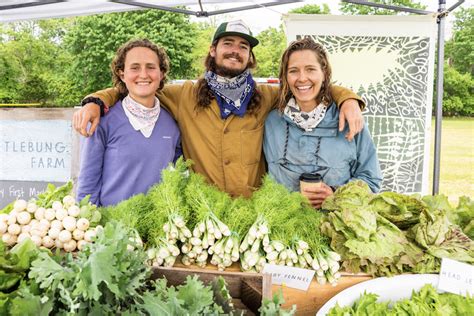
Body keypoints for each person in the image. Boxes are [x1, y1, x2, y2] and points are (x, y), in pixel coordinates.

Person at [73, 20, 365, 198]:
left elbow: (304, 85)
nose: (234, 50)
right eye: (228, 43)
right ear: (213, 50)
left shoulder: (265, 96)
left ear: (249, 57)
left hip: (254, 211)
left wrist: (347, 98)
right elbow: (140, 85)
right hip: (205, 212)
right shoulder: (183, 94)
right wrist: (97, 100)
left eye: (243, 46)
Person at [264, 38, 382, 209]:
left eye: (311, 69)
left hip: (334, 226)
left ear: (324, 73)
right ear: (285, 76)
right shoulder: (271, 122)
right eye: (293, 71)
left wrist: (336, 194)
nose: (302, 78)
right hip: (281, 226)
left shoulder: (350, 120)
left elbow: (371, 179)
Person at [76, 39, 181, 206]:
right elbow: (88, 183)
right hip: (111, 227)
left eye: (151, 67)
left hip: (159, 227)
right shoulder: (102, 122)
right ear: (122, 74)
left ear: (161, 74)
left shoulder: (172, 124)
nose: (144, 74)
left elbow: (178, 176)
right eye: (135, 67)